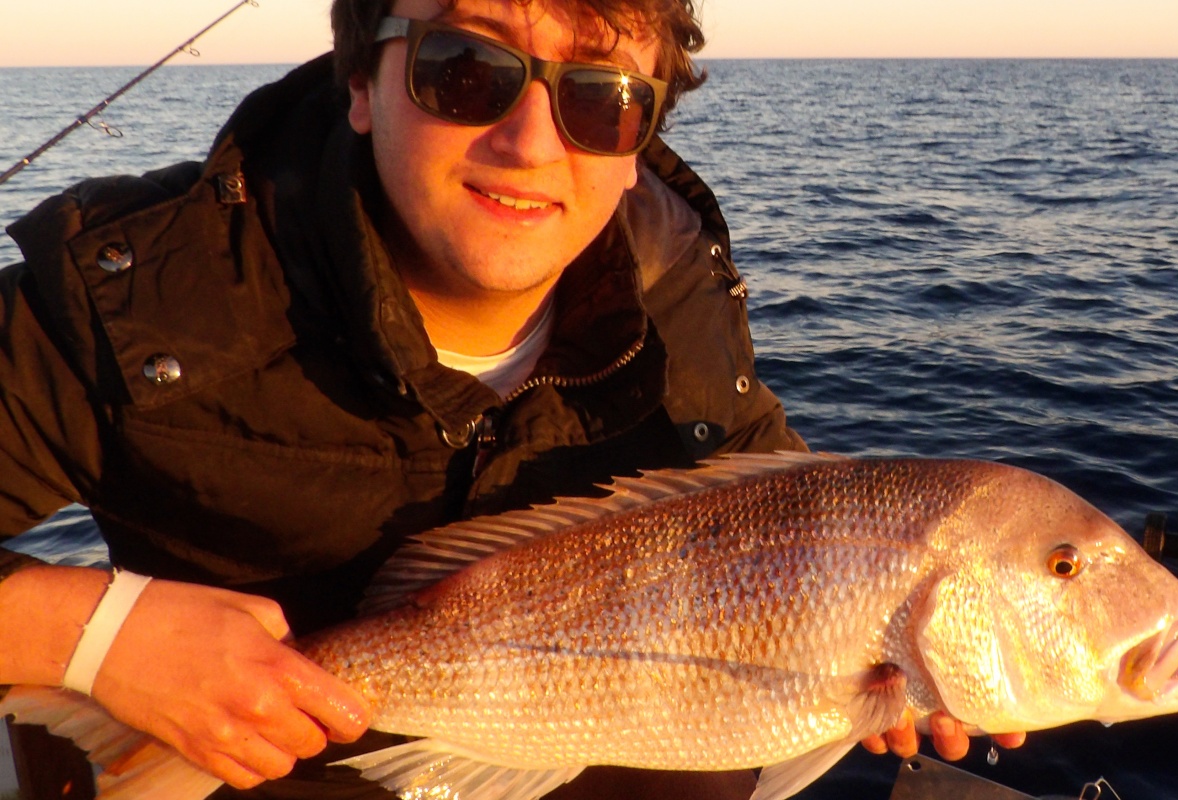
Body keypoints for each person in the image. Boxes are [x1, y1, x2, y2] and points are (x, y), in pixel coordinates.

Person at [0, 0, 1011, 796]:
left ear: (638, 137)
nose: (530, 144)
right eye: (465, 70)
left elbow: (785, 517)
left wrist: (877, 656)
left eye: (600, 96)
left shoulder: (681, 294)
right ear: (362, 80)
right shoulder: (133, 294)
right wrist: (89, 633)